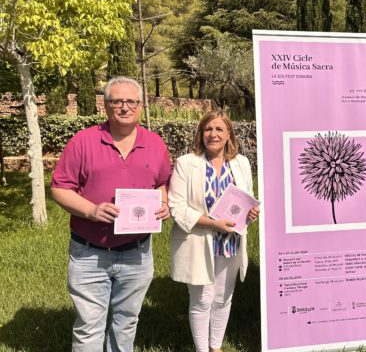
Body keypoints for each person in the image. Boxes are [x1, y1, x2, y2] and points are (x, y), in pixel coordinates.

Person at [51, 76, 171, 351]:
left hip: (137, 252)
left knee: (126, 322)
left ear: (140, 106)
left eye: (131, 101)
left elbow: (162, 182)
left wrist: (163, 204)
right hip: (89, 253)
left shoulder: (155, 144)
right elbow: (59, 188)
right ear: (105, 106)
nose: (125, 107)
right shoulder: (84, 141)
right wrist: (91, 210)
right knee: (89, 326)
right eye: (117, 101)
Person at [168, 110, 260, 352]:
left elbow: (246, 199)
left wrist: (250, 214)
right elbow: (177, 207)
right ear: (201, 133)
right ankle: (202, 349)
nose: (213, 134)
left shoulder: (240, 163)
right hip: (199, 240)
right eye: (208, 129)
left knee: (222, 297)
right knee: (201, 299)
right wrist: (212, 223)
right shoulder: (186, 164)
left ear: (229, 133)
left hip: (230, 241)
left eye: (219, 129)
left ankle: (216, 347)